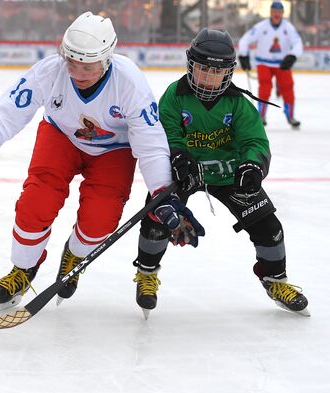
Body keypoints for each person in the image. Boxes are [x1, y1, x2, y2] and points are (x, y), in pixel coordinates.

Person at [0, 11, 204, 313]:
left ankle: (74, 255)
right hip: (61, 138)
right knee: (36, 202)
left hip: (113, 151)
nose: (78, 73)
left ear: (107, 59)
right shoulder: (51, 71)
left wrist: (162, 193)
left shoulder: (130, 82)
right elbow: (5, 114)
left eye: (88, 66)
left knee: (100, 220)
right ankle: (23, 269)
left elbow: (150, 143)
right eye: (72, 62)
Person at [132, 28, 309, 317]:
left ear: (228, 73)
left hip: (229, 174)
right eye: (203, 70)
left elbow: (255, 141)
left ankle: (275, 280)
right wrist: (178, 156)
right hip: (186, 173)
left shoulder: (237, 103)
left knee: (269, 227)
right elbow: (167, 135)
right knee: (156, 217)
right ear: (191, 66)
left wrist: (253, 166)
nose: (209, 79)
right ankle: (147, 274)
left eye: (217, 72)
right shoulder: (174, 97)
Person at [238, 1, 303, 128]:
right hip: (264, 63)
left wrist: (292, 55)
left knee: (287, 88)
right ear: (270, 13)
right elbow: (245, 39)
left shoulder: (288, 28)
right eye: (274, 12)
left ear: (283, 13)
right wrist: (243, 54)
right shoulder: (262, 26)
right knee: (264, 88)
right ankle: (261, 116)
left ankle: (291, 116)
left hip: (282, 64)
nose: (276, 14)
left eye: (279, 12)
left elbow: (297, 42)